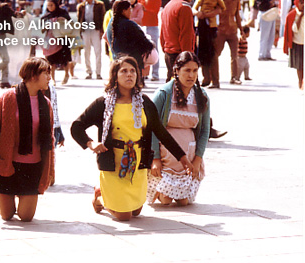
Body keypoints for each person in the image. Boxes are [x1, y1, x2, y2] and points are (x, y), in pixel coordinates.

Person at [71, 56, 193, 221]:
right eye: (124, 71)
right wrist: (91, 143)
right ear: (115, 75)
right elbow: (76, 126)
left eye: (133, 71)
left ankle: (105, 194)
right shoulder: (103, 103)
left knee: (136, 212)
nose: (129, 75)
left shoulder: (144, 103)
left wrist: (183, 158)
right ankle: (100, 198)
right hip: (113, 164)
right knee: (124, 216)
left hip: (137, 163)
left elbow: (161, 133)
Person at [0, 57, 54, 222]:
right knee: (7, 215)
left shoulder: (46, 103)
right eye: (46, 73)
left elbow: (49, 142)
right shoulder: (8, 98)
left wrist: (50, 171)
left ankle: (12, 196)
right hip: (6, 165)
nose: (49, 77)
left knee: (26, 217)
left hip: (32, 167)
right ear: (33, 76)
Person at [147, 51, 210, 206]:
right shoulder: (164, 94)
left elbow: (204, 131)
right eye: (187, 70)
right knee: (166, 201)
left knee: (184, 202)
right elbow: (152, 127)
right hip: (165, 158)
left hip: (189, 158)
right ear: (177, 70)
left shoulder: (201, 96)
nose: (191, 75)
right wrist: (155, 158)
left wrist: (198, 159)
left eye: (195, 71)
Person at [204, 0, 243, 89]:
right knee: (215, 55)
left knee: (234, 55)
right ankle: (215, 81)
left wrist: (241, 30)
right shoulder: (219, 1)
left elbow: (237, 15)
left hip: (232, 31)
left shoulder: (236, 1)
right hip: (220, 31)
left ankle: (234, 77)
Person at [106, 0, 154, 72]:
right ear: (124, 11)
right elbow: (146, 44)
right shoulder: (129, 24)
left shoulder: (111, 22)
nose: (131, 12)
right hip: (132, 64)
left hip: (117, 62)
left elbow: (105, 37)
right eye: (129, 9)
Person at [160, 0, 195, 83]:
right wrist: (188, 57)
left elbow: (162, 33)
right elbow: (186, 34)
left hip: (169, 52)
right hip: (180, 54)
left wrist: (165, 48)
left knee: (171, 87)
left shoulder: (168, 5)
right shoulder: (184, 7)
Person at [192, 0, 225, 87]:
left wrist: (211, 13)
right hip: (202, 26)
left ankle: (215, 80)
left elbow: (222, 8)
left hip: (212, 27)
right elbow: (193, 9)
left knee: (213, 54)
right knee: (202, 53)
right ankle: (206, 78)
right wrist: (198, 13)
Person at [41, 0, 72, 86]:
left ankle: (66, 74)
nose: (50, 7)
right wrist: (45, 27)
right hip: (51, 40)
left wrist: (63, 20)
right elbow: (42, 29)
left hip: (62, 40)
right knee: (51, 61)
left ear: (55, 5)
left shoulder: (62, 13)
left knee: (64, 59)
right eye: (48, 6)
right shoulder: (46, 16)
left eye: (51, 5)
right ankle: (53, 79)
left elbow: (70, 23)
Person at [77, 0, 106, 80]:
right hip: (85, 30)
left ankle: (98, 72)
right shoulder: (81, 6)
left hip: (95, 30)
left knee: (98, 51)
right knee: (86, 52)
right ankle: (89, 72)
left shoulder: (99, 5)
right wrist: (79, 32)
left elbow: (102, 17)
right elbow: (79, 19)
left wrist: (101, 31)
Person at [139, 0, 161, 81]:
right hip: (142, 25)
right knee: (142, 51)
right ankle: (144, 73)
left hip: (152, 25)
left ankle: (155, 74)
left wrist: (145, 8)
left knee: (154, 49)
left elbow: (155, 11)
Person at [283, 0, 304, 90]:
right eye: (301, 3)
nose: (303, 5)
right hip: (298, 42)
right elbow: (294, 30)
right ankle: (300, 82)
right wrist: (300, 17)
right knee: (299, 66)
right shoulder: (293, 15)